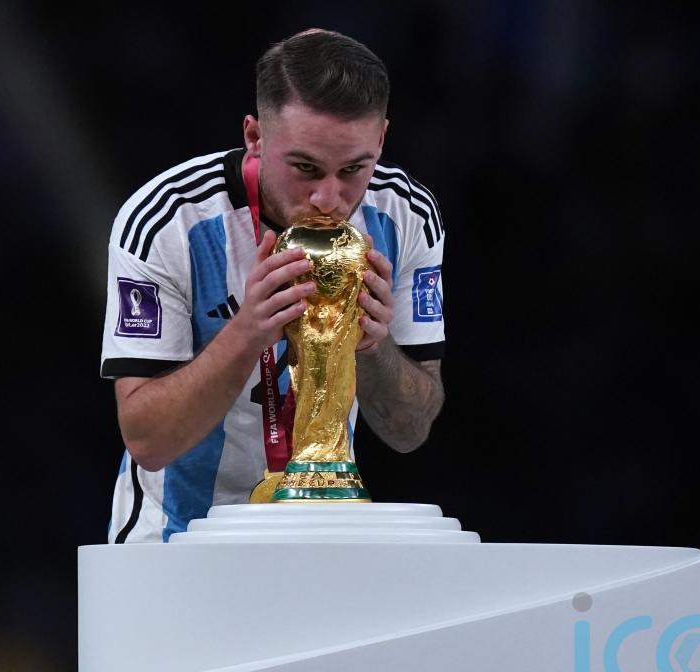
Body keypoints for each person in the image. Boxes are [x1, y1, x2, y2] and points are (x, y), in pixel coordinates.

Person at [100, 29, 446, 543]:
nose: (328, 198)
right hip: (174, 546)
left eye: (354, 169)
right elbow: (148, 441)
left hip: (318, 536)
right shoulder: (167, 220)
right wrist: (247, 333)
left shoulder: (407, 216)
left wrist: (374, 348)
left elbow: (410, 430)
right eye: (305, 168)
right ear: (255, 137)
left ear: (381, 140)